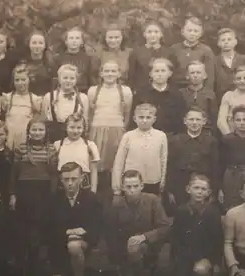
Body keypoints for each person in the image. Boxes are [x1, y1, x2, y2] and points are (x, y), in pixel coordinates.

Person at [10, 117, 57, 276]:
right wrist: (13, 195)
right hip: (24, 193)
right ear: (28, 132)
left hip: (43, 194)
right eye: (34, 130)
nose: (37, 133)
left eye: (40, 130)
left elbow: (53, 176)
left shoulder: (51, 149)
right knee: (23, 232)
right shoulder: (21, 148)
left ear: (46, 132)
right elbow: (14, 174)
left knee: (38, 234)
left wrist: (52, 195)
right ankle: (22, 268)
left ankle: (36, 268)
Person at [106, 170, 171, 276]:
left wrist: (144, 237)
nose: (132, 190)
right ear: (123, 187)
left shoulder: (152, 200)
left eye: (135, 186)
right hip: (123, 249)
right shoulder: (116, 205)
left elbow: (165, 227)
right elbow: (111, 233)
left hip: (149, 247)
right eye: (128, 187)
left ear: (142, 186)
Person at [46, 162, 102, 276]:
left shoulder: (91, 199)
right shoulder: (53, 200)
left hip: (84, 243)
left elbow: (98, 226)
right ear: (61, 179)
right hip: (58, 245)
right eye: (66, 179)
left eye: (74, 179)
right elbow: (46, 228)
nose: (70, 183)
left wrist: (84, 232)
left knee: (74, 246)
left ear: (81, 178)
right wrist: (67, 232)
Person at [87, 60, 132, 200]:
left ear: (119, 73)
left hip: (116, 130)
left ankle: (114, 196)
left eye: (113, 71)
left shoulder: (125, 91)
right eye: (106, 71)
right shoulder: (93, 90)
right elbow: (90, 114)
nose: (110, 74)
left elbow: (127, 115)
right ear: (101, 73)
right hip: (96, 129)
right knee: (96, 165)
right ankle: (95, 195)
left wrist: (120, 130)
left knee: (114, 166)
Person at [171, 174, 223, 276]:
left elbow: (217, 241)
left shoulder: (212, 213)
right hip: (185, 255)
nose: (199, 192)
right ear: (188, 189)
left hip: (205, 256)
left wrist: (214, 262)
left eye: (203, 189)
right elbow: (176, 238)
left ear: (208, 192)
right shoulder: (181, 211)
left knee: (201, 270)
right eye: (196, 188)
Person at [167, 107, 218, 208]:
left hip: (202, 185)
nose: (194, 123)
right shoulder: (175, 141)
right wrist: (169, 190)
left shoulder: (211, 142)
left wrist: (214, 190)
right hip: (180, 184)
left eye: (198, 120)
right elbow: (170, 166)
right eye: (191, 119)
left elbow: (215, 167)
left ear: (204, 122)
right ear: (185, 121)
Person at [112, 103, 168, 196]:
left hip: (152, 181)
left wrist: (162, 180)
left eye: (148, 117)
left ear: (154, 119)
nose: (144, 120)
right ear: (135, 119)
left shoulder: (161, 136)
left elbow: (163, 160)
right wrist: (117, 186)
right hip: (131, 183)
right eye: (141, 117)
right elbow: (119, 161)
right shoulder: (128, 136)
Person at [218, 106, 245, 211]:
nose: (242, 123)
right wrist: (220, 188)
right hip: (231, 175)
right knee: (231, 206)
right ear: (232, 121)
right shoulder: (226, 140)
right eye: (238, 120)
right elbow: (220, 164)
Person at [130, 57, 186, 135]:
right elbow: (133, 118)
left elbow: (181, 120)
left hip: (170, 137)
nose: (160, 74)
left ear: (170, 73)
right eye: (156, 71)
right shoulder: (141, 94)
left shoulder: (177, 95)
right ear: (150, 74)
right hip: (146, 136)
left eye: (163, 71)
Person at [41, 64, 89, 143]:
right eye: (65, 78)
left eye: (72, 78)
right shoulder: (49, 96)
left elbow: (85, 120)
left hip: (74, 134)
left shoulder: (83, 98)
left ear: (76, 80)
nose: (68, 81)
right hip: (54, 135)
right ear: (59, 79)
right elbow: (45, 117)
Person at [55, 113, 100, 193]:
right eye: (72, 127)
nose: (75, 131)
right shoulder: (58, 145)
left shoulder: (90, 146)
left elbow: (94, 171)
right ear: (66, 127)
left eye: (79, 128)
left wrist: (93, 191)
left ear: (83, 129)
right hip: (63, 184)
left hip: (83, 184)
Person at [1, 64, 42, 149]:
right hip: (9, 138)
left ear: (29, 80)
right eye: (17, 80)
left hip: (25, 140)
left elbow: (36, 120)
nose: (20, 83)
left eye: (23, 80)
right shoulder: (7, 98)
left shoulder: (35, 99)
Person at [128, 21, 176, 92]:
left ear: (161, 34)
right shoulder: (136, 53)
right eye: (149, 32)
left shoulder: (169, 52)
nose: (153, 35)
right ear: (144, 34)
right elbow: (131, 75)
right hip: (142, 91)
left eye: (156, 32)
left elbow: (173, 74)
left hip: (164, 90)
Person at [170, 16, 215, 90]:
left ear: (201, 33)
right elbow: (170, 72)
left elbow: (210, 77)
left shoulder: (206, 51)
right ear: (183, 31)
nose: (192, 33)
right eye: (189, 30)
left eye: (196, 31)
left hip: (198, 89)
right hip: (177, 88)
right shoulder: (174, 49)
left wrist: (207, 93)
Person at [51, 26, 99, 93]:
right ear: (66, 41)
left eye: (77, 38)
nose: (74, 41)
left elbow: (91, 79)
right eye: (71, 38)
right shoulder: (58, 58)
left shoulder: (88, 59)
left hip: (82, 92)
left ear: (82, 42)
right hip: (63, 93)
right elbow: (55, 80)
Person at [180, 61, 218, 134]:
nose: (195, 75)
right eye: (192, 73)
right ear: (187, 76)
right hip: (184, 133)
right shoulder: (181, 93)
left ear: (205, 75)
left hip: (205, 132)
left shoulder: (210, 94)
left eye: (198, 72)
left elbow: (213, 118)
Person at [214, 28, 245, 101]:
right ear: (218, 43)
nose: (226, 42)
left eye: (229, 39)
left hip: (242, 99)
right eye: (223, 40)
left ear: (235, 41)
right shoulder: (214, 61)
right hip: (220, 100)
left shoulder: (244, 60)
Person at [22, 29, 54, 96]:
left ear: (45, 45)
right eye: (34, 43)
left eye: (40, 43)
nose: (37, 46)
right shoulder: (22, 64)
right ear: (28, 44)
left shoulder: (51, 65)